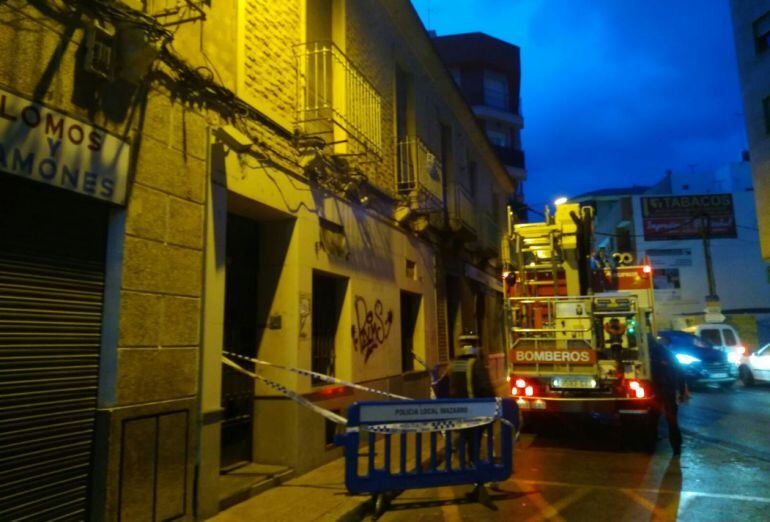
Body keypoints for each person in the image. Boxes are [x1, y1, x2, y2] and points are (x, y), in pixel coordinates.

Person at [649, 336, 689, 455]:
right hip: (668, 390)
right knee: (671, 419)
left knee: (653, 418)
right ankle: (676, 446)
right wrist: (681, 392)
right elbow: (680, 372)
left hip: (654, 390)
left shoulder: (648, 354)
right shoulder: (668, 353)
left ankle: (652, 443)